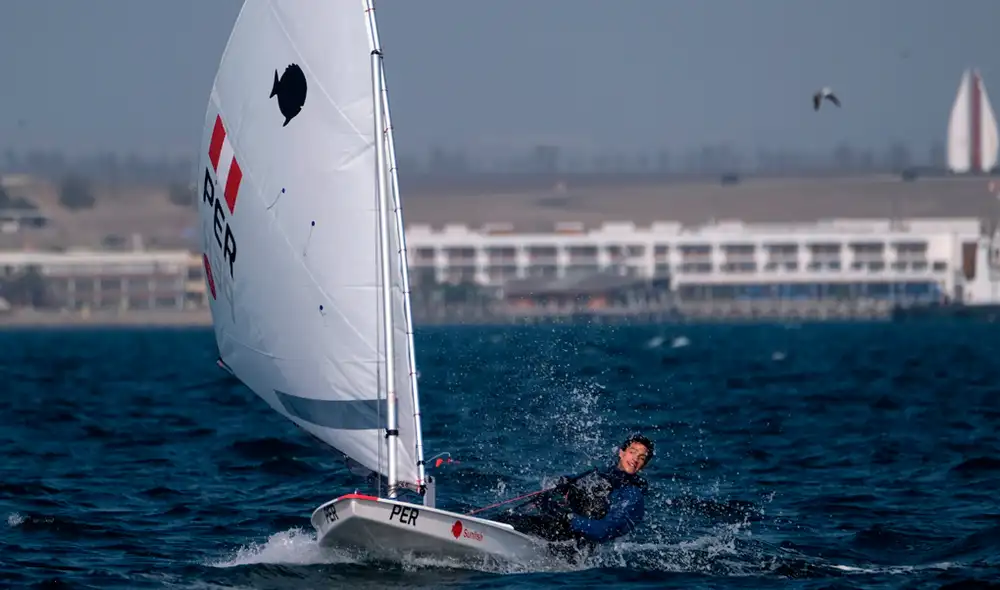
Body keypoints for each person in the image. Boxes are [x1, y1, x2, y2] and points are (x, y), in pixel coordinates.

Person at [496, 433, 654, 550]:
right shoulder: (604, 473)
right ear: (622, 452)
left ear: (644, 464)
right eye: (633, 452)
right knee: (545, 500)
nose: (635, 459)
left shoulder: (632, 495)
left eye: (641, 457)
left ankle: (498, 534)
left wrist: (569, 519)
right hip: (564, 525)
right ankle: (500, 525)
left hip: (577, 543)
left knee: (519, 522)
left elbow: (605, 530)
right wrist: (564, 482)